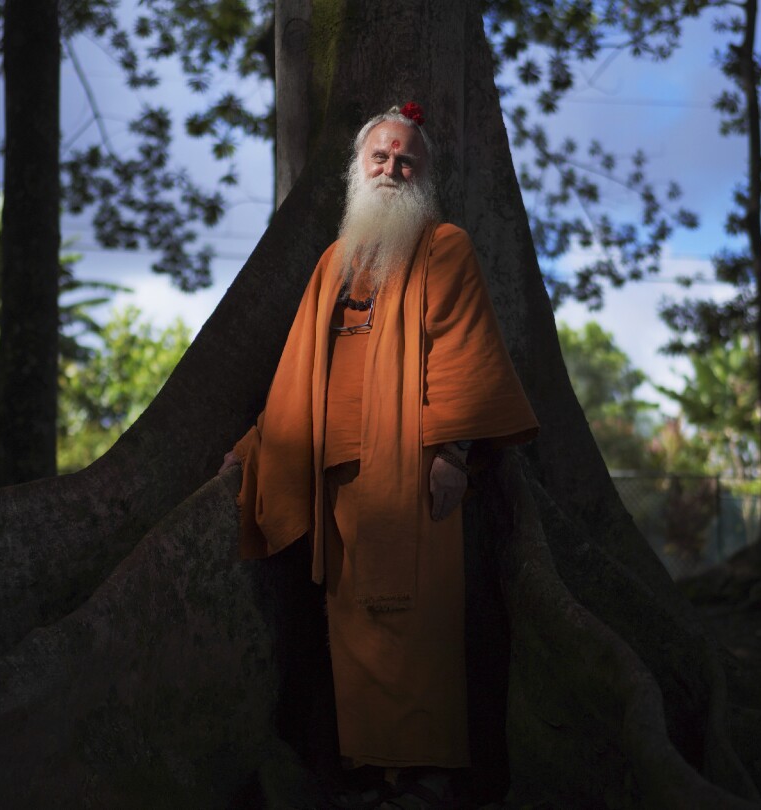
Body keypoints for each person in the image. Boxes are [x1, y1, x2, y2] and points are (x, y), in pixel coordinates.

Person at [220, 102, 537, 810]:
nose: (392, 169)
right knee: (352, 624)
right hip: (334, 475)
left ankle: (427, 776)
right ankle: (368, 773)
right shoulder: (335, 259)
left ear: (423, 175)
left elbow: (459, 349)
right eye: (380, 159)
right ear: (359, 170)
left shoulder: (444, 246)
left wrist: (453, 453)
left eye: (406, 161)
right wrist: (252, 454)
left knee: (414, 621)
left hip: (411, 472)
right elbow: (297, 369)